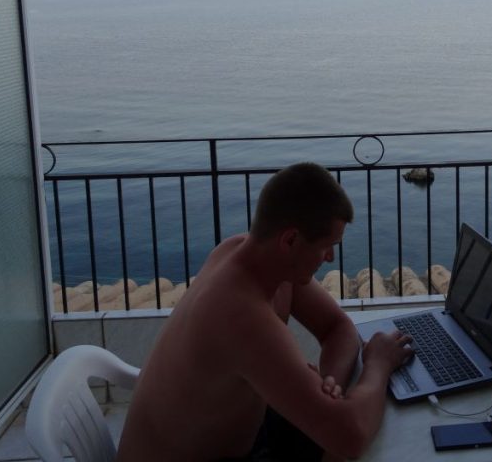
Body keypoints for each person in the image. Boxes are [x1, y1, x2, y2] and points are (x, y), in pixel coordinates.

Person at [116, 162, 413, 461]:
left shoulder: (251, 256)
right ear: (291, 240)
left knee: (345, 427)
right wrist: (379, 363)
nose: (330, 258)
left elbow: (339, 328)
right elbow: (351, 438)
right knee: (351, 447)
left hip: (244, 435)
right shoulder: (240, 315)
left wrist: (329, 387)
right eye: (327, 246)